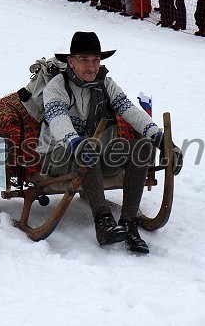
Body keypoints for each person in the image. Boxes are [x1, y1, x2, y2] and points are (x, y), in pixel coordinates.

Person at [37, 32, 183, 254]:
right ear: (71, 62)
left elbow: (129, 109)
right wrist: (74, 142)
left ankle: (129, 222)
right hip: (58, 155)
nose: (91, 66)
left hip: (97, 151)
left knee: (141, 147)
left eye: (95, 60)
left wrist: (160, 138)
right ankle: (103, 221)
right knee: (88, 147)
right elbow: (58, 120)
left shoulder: (105, 83)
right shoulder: (57, 87)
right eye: (84, 60)